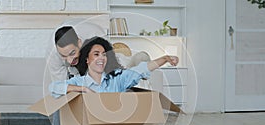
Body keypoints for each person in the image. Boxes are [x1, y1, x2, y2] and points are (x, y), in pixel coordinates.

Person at [49, 36, 179, 96]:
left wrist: (165, 58)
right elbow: (53, 87)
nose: (101, 58)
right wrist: (84, 89)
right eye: (96, 54)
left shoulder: (117, 79)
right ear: (87, 59)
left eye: (104, 54)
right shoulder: (79, 81)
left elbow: (142, 69)